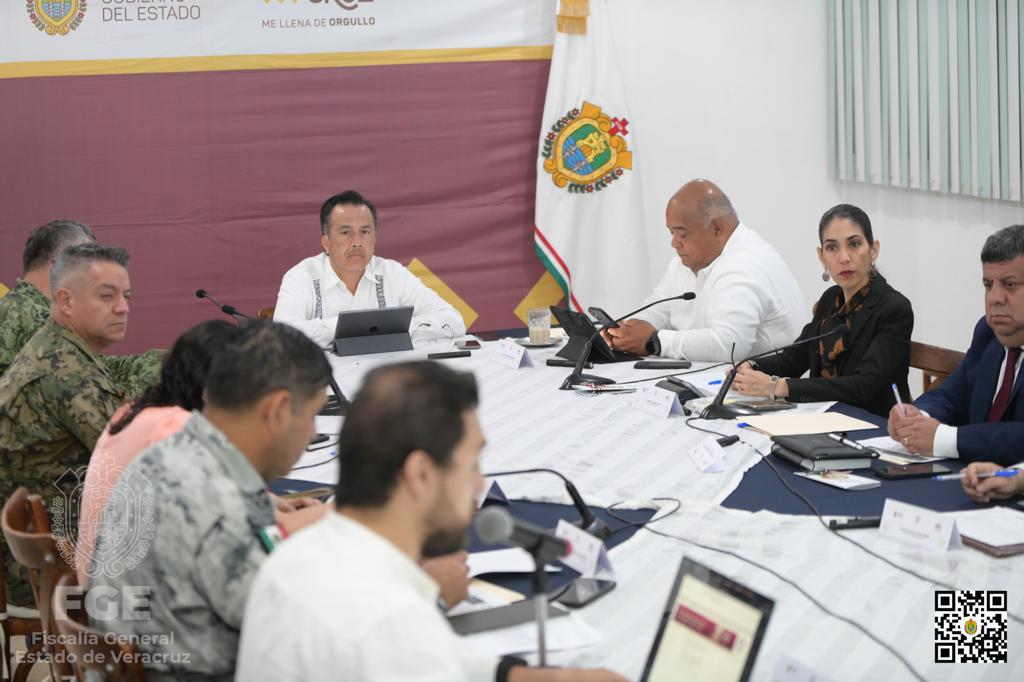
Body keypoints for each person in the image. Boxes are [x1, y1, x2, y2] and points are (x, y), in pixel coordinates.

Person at [235, 362, 626, 682]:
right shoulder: (389, 619)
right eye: (471, 464)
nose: (479, 484)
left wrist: (518, 676)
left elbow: (412, 656)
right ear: (420, 474)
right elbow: (403, 645)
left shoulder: (300, 554)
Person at [89, 321, 331, 681]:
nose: (313, 433)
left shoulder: (168, 454)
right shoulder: (220, 507)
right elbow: (300, 634)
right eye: (312, 415)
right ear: (278, 410)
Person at [0, 243, 137, 607]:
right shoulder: (64, 371)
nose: (122, 307)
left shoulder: (60, 349)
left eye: (126, 296)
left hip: (54, 558)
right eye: (107, 296)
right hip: (59, 579)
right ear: (66, 301)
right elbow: (138, 464)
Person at [733, 204, 913, 417]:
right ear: (821, 256)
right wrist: (750, 367)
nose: (844, 258)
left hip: (872, 423)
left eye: (854, 244)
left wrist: (780, 386)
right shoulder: (830, 300)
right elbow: (794, 359)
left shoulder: (894, 309)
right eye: (832, 248)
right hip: (821, 416)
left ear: (873, 249)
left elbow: (863, 386)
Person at [604, 179, 805, 362]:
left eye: (682, 234)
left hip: (772, 386)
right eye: (671, 232)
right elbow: (659, 309)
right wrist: (627, 332)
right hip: (721, 381)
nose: (674, 243)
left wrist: (654, 342)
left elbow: (729, 345)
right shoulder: (685, 263)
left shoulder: (744, 263)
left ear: (717, 229)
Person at [888, 224, 1024, 465]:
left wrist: (946, 439)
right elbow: (951, 395)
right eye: (988, 285)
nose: (995, 298)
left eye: (1010, 284)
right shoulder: (987, 333)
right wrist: (917, 417)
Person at [274, 190, 467, 348]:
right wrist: (346, 328)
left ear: (374, 239)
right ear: (326, 243)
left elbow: (454, 321)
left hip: (384, 376)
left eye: (365, 232)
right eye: (345, 233)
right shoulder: (301, 276)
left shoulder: (392, 273)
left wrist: (396, 328)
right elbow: (281, 338)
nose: (357, 242)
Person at [0, 219, 162, 393]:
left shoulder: (26, 308)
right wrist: (166, 378)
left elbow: (97, 367)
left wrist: (159, 361)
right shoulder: (30, 316)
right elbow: (92, 395)